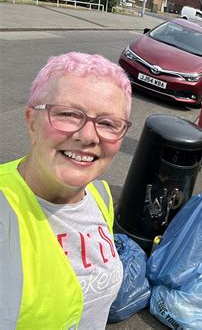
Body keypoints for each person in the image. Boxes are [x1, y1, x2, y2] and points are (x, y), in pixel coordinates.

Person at [0, 52, 132, 328]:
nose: (87, 136)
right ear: (31, 121)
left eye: (108, 123)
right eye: (69, 114)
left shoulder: (100, 194)